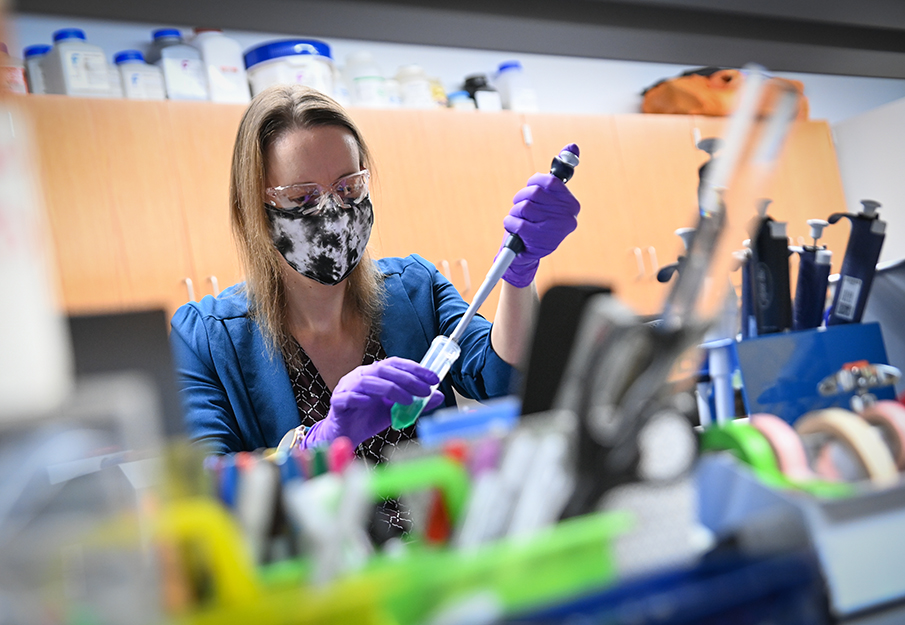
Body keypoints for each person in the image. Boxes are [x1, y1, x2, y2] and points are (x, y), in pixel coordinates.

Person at [170, 85, 580, 461]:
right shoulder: (205, 339)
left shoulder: (415, 290)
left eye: (348, 188)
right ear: (255, 208)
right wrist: (319, 442)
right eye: (302, 197)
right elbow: (208, 492)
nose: (332, 212)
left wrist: (519, 271)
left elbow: (505, 378)